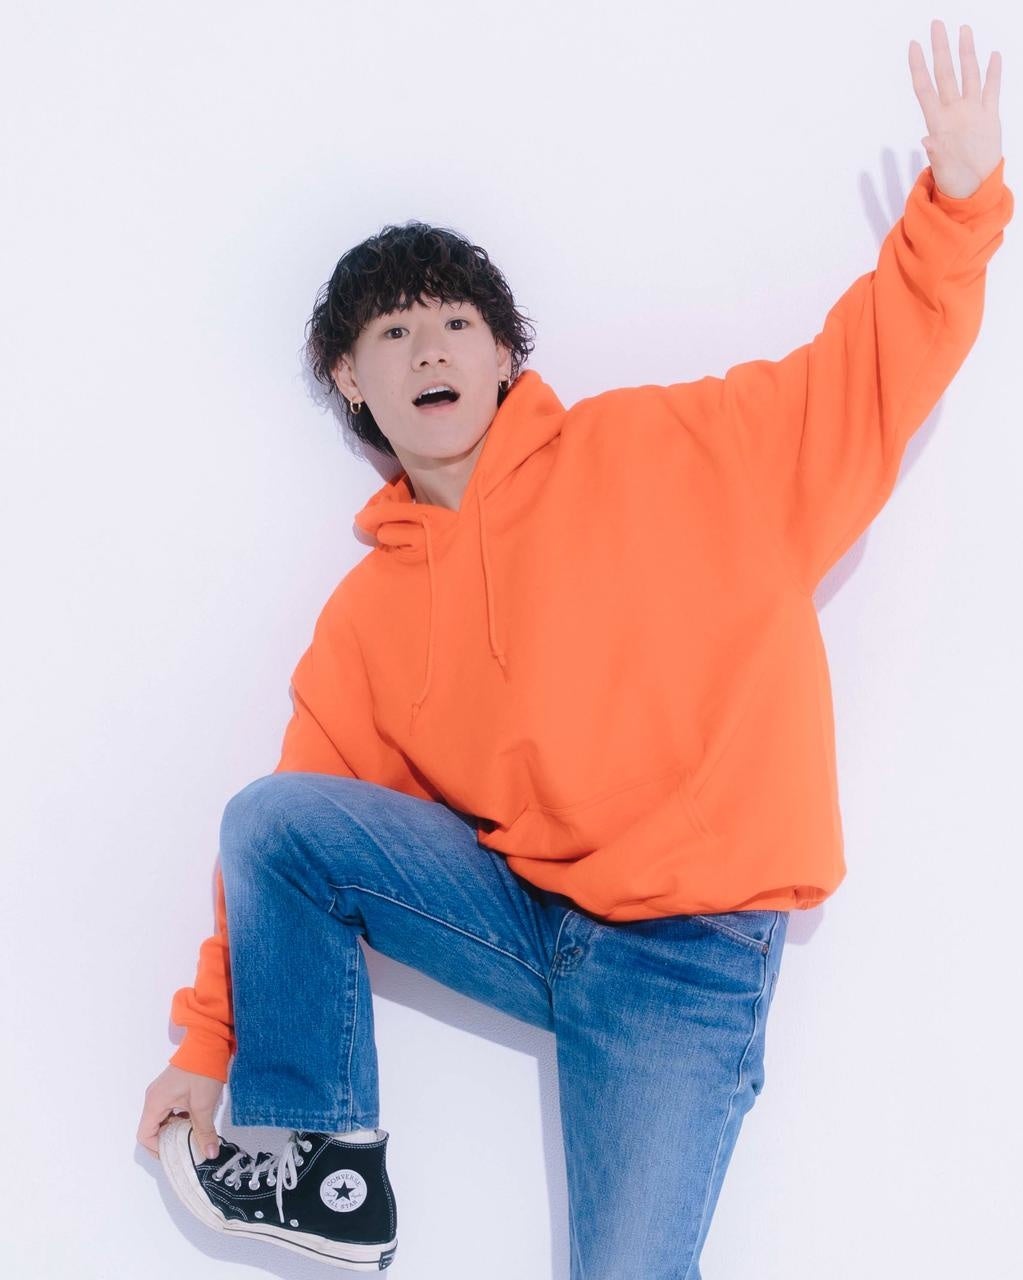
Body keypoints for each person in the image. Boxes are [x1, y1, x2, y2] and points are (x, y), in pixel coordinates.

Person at [136, 21, 1010, 1277]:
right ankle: (331, 1168)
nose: (430, 348)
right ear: (351, 379)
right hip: (525, 910)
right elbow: (285, 854)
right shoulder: (370, 614)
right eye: (393, 334)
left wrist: (960, 202)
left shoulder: (670, 451)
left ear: (503, 356)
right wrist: (205, 1046)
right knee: (273, 817)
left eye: (455, 322)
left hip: (689, 952)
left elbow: (864, 375)